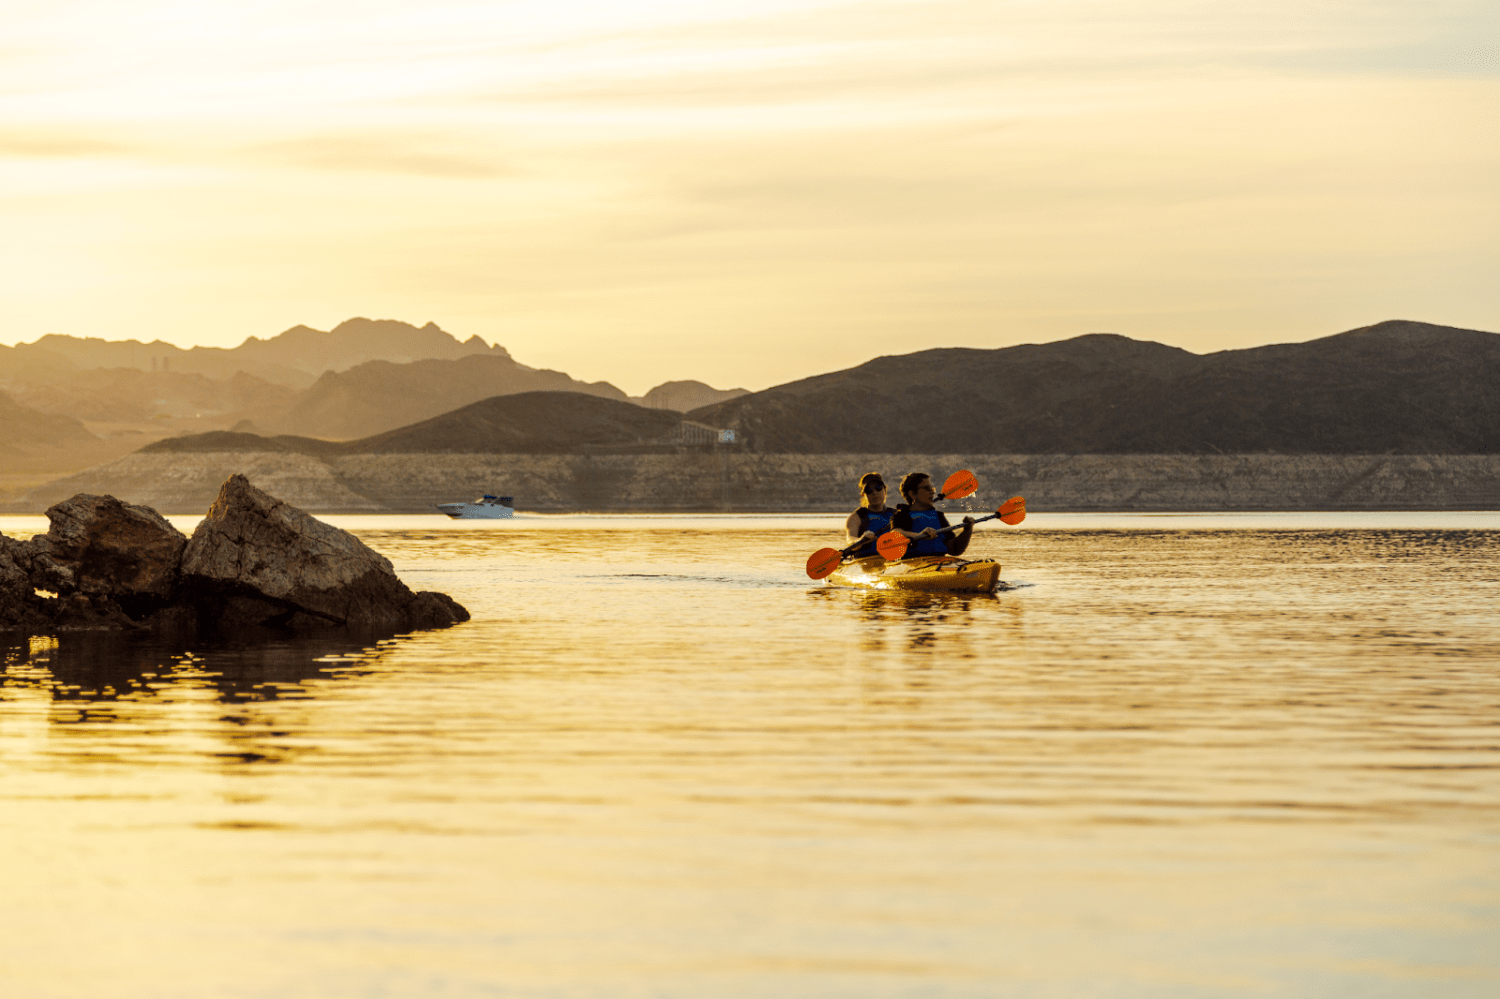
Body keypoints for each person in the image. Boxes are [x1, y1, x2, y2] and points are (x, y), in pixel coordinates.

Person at [890, 471, 975, 559]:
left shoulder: (938, 516)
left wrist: (967, 530)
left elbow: (955, 549)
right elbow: (895, 534)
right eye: (927, 488)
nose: (932, 492)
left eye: (932, 488)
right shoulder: (901, 515)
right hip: (912, 564)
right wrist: (919, 535)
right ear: (912, 494)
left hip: (940, 562)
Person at [844, 472, 895, 559]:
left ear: (885, 490)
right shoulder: (856, 517)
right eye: (869, 490)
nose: (874, 493)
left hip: (892, 561)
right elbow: (850, 540)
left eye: (878, 488)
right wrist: (861, 540)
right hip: (866, 563)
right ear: (864, 495)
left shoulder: (896, 514)